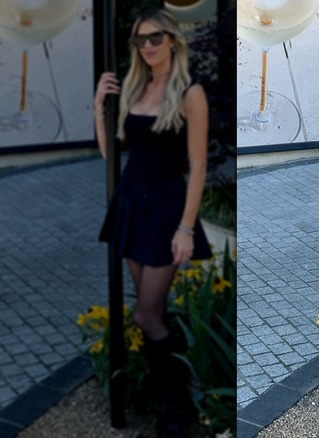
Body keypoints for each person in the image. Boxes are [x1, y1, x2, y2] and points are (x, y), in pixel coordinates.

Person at [94, 8, 211, 437]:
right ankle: (171, 405)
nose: (147, 46)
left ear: (172, 41)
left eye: (155, 38)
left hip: (165, 210)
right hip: (131, 205)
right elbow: (114, 157)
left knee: (146, 314)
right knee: (151, 312)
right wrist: (97, 109)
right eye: (141, 40)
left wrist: (185, 227)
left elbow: (197, 166)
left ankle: (177, 412)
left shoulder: (189, 93)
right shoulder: (135, 86)